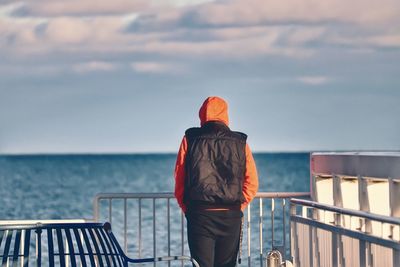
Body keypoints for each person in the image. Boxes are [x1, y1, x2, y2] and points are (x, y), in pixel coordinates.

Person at [174, 96, 259, 267]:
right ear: (225, 114)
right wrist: (237, 205)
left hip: (199, 214)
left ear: (202, 114)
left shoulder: (190, 139)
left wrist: (188, 208)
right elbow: (252, 182)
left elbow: (180, 178)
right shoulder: (240, 142)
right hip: (231, 215)